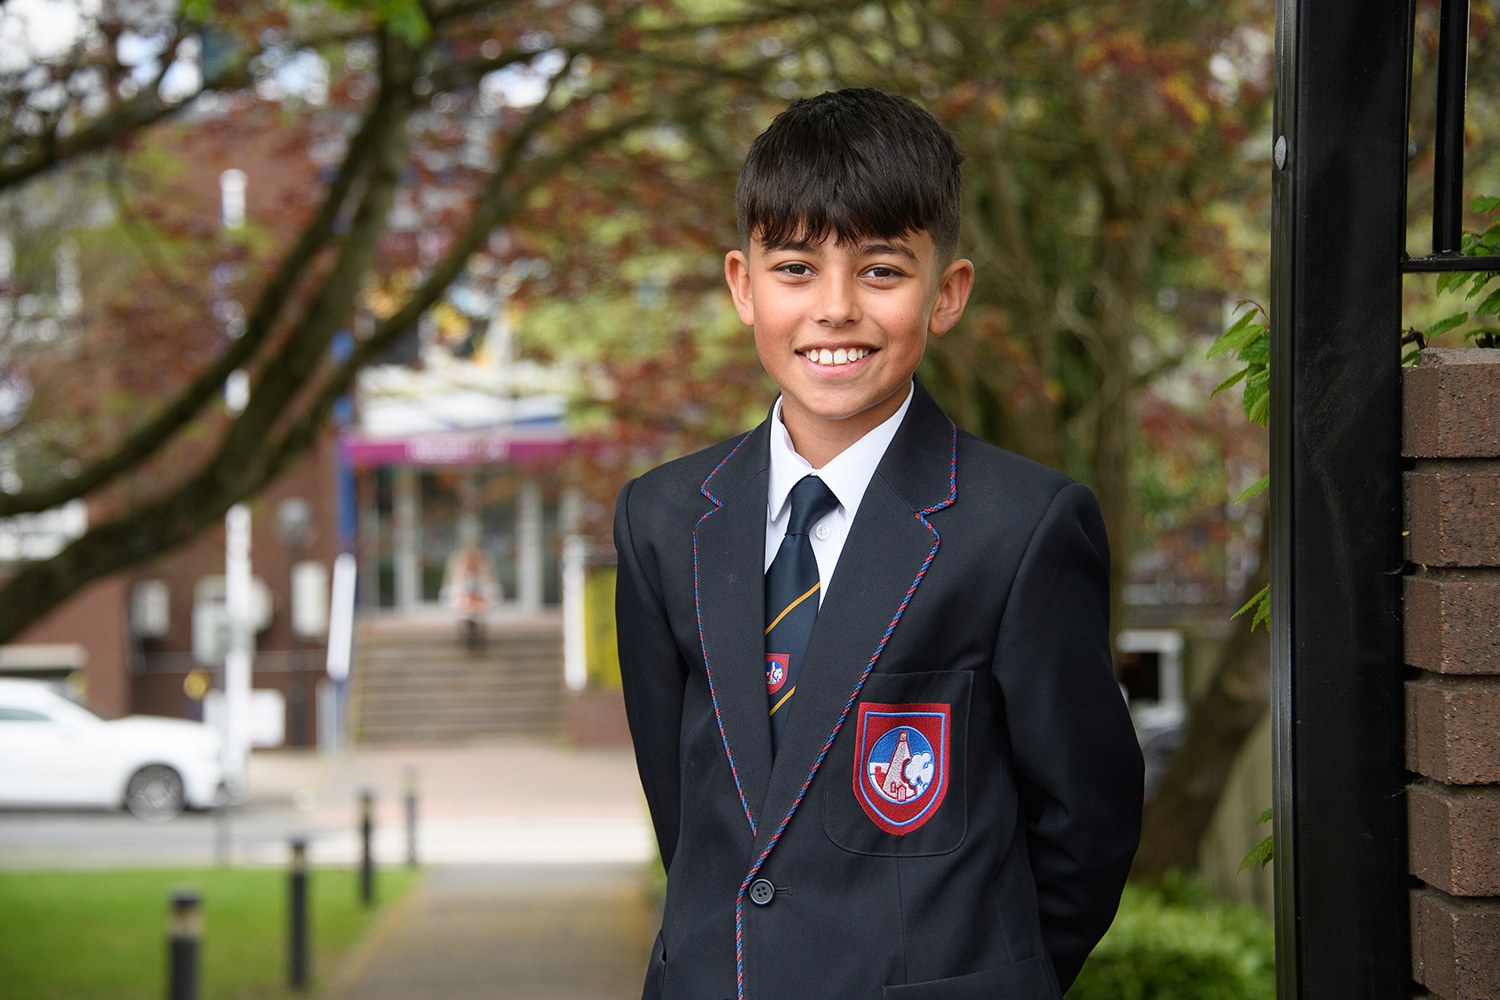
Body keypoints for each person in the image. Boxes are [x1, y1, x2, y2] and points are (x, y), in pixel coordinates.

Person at [614, 89, 1143, 1000]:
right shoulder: (662, 521)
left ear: (948, 294)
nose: (835, 309)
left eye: (882, 272)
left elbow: (1086, 820)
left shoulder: (1021, 528)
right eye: (795, 269)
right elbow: (691, 815)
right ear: (743, 285)